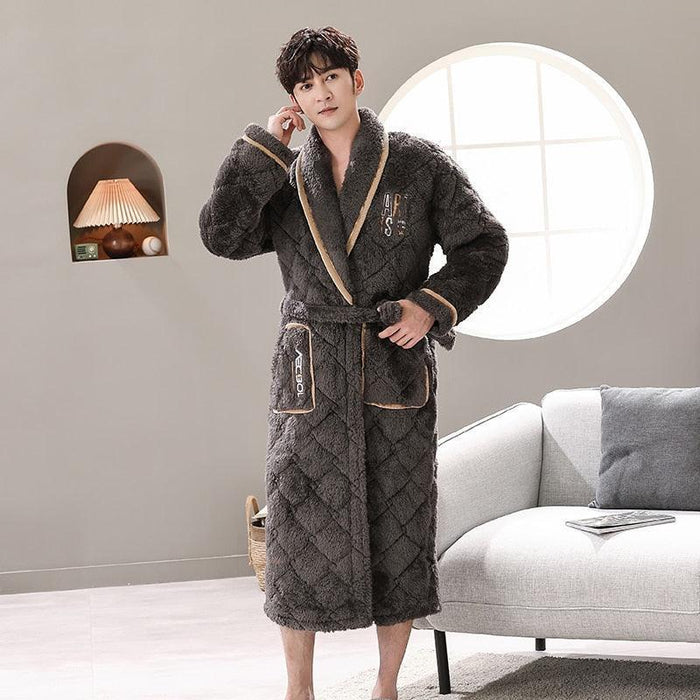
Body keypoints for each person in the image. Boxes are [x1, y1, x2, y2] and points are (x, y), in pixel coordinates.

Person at [199, 26, 509, 700]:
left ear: (356, 80)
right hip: (310, 375)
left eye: (331, 76)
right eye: (305, 85)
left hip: (389, 365)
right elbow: (221, 236)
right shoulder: (285, 175)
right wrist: (263, 151)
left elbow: (485, 244)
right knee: (296, 536)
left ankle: (387, 686)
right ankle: (299, 689)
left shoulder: (417, 164)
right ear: (295, 100)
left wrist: (428, 305)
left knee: (399, 529)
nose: (322, 93)